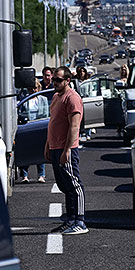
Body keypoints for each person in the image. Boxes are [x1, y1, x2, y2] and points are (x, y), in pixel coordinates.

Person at [45, 66, 88, 235]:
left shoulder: (72, 98)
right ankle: (70, 220)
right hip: (55, 147)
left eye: (58, 80)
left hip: (66, 148)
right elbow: (52, 122)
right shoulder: (56, 96)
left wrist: (67, 150)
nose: (54, 82)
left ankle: (80, 221)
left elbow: (74, 126)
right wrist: (47, 145)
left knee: (74, 185)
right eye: (54, 79)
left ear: (68, 80)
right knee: (64, 185)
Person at [18, 79, 48, 183]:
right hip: (27, 127)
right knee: (26, 152)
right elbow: (21, 113)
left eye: (34, 88)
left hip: (38, 126)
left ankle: (41, 175)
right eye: (30, 88)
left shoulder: (43, 99)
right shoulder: (25, 100)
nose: (32, 90)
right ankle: (25, 176)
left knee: (40, 152)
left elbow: (45, 114)